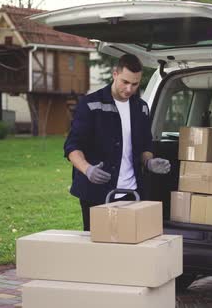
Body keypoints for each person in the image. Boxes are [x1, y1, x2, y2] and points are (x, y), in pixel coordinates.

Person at [64, 54, 171, 231]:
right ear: (115, 74)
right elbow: (72, 146)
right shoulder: (91, 104)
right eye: (125, 82)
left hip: (132, 193)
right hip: (96, 194)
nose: (129, 89)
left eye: (135, 84)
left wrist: (149, 161)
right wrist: (87, 169)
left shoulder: (141, 107)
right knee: (100, 246)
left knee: (130, 244)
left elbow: (145, 144)